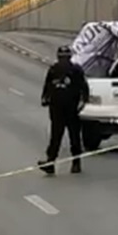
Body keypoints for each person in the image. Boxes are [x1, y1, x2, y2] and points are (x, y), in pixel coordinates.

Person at [38, 45, 89, 175]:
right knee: (56, 136)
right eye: (62, 58)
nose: (63, 61)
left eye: (65, 58)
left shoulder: (76, 70)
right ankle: (51, 162)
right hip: (57, 108)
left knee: (73, 136)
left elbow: (84, 88)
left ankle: (76, 162)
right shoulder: (54, 70)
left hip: (71, 108)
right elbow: (48, 86)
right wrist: (45, 98)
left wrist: (82, 102)